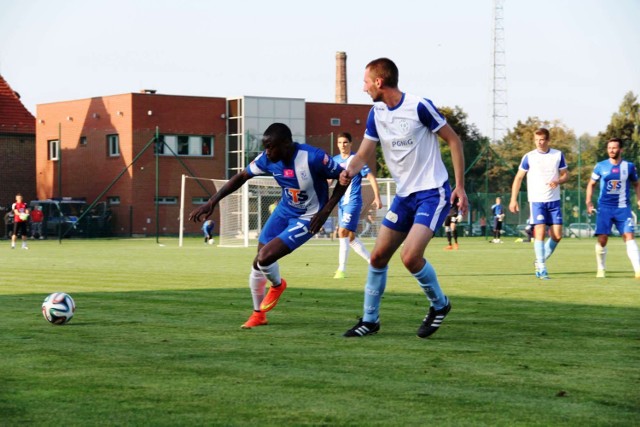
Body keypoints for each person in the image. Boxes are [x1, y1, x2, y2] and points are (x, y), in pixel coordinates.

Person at [339, 57, 467, 338]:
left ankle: (439, 305)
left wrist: (460, 186)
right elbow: (363, 154)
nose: (363, 88)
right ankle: (370, 320)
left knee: (410, 257)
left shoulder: (419, 106)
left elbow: (454, 140)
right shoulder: (376, 114)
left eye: (365, 82)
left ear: (378, 82)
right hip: (405, 195)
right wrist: (348, 170)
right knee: (378, 257)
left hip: (432, 193)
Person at [189, 123, 347, 329]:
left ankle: (278, 285)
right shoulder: (267, 159)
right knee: (258, 262)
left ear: (286, 144)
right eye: (266, 147)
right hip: (284, 210)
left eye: (271, 147)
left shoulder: (313, 157)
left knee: (265, 258)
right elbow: (241, 177)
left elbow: (345, 177)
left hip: (308, 216)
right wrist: (212, 201)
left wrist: (325, 211)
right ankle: (258, 315)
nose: (267, 151)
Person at [509, 128, 569, 280]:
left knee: (557, 235)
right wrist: (513, 199)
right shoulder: (529, 157)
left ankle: (539, 260)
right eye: (537, 140)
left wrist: (558, 181)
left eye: (542, 140)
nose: (539, 143)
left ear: (548, 140)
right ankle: (542, 267)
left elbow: (565, 174)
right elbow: (518, 178)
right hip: (537, 200)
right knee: (540, 232)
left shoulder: (557, 155)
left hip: (554, 201)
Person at [585, 138, 640, 278]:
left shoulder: (629, 166)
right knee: (602, 239)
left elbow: (636, 184)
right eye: (609, 148)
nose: (611, 150)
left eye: (614, 148)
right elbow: (591, 184)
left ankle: (638, 270)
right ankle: (601, 268)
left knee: (629, 236)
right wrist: (588, 202)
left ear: (621, 150)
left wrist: (639, 199)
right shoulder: (600, 166)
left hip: (623, 208)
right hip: (604, 208)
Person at [331, 132, 382, 279]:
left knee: (342, 233)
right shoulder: (335, 161)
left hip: (353, 202)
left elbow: (371, 177)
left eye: (345, 142)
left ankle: (341, 269)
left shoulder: (356, 160)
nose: (343, 145)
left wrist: (377, 197)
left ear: (351, 143)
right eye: (340, 142)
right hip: (341, 203)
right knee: (351, 237)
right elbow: (329, 180)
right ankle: (374, 262)